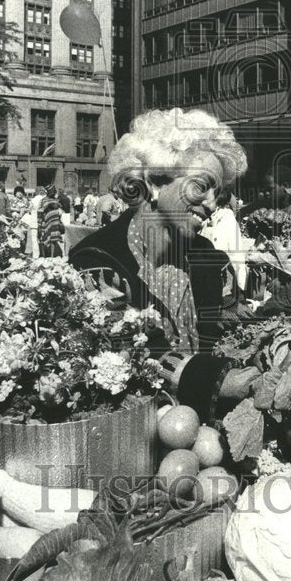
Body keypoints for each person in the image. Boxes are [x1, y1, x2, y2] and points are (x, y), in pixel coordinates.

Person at [69, 108, 258, 419]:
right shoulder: (98, 263)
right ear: (154, 182)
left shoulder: (212, 259)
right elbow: (129, 354)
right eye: (201, 186)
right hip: (133, 430)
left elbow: (236, 335)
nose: (211, 204)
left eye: (218, 193)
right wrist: (229, 381)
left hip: (208, 432)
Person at [37, 185, 65, 258]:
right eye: (51, 192)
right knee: (43, 238)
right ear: (48, 192)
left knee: (53, 239)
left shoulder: (56, 200)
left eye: (54, 192)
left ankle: (52, 256)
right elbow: (40, 211)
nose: (53, 194)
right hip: (46, 222)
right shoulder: (43, 200)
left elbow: (60, 209)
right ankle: (43, 256)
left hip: (55, 222)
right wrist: (39, 223)